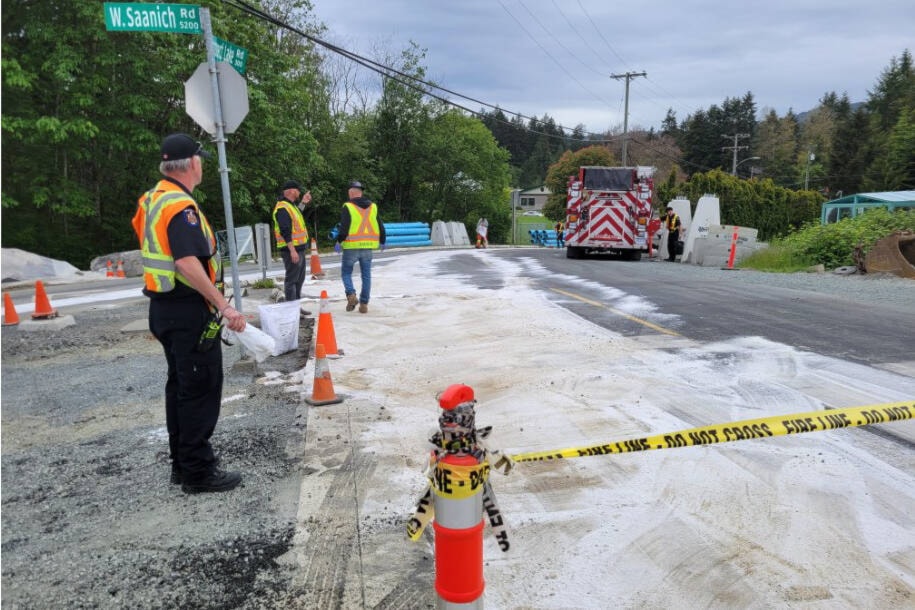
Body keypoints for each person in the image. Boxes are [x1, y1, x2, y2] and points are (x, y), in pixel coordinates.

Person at [132, 133, 246, 494]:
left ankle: (182, 465)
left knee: (181, 386)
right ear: (193, 164)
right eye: (201, 160)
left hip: (163, 308)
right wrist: (224, 306)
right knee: (199, 388)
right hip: (187, 311)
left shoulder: (152, 199)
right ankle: (198, 472)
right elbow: (185, 263)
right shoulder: (180, 207)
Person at [334, 181, 385, 314]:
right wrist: (383, 240)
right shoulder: (373, 206)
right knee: (366, 276)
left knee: (346, 273)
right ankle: (364, 305)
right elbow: (380, 225)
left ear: (351, 193)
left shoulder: (348, 206)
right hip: (368, 247)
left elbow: (344, 228)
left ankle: (351, 295)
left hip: (351, 246)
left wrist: (339, 241)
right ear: (361, 192)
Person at [272, 179, 312, 306]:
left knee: (299, 280)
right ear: (291, 191)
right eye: (298, 190)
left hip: (299, 249)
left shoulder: (290, 205)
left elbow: (297, 214)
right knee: (292, 281)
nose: (299, 192)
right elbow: (285, 230)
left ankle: (297, 308)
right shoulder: (282, 208)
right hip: (291, 250)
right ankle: (292, 310)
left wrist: (304, 202)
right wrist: (292, 250)